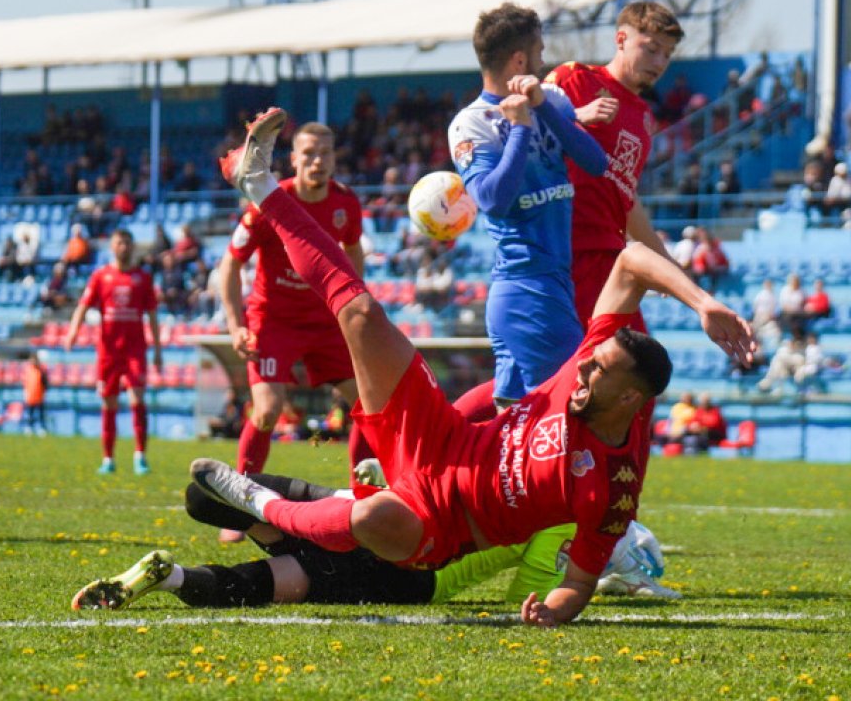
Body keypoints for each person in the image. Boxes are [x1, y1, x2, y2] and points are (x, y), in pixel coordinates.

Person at [195, 108, 754, 626]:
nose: (581, 370)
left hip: (444, 524)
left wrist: (553, 610)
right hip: (442, 438)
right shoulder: (595, 359)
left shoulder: (612, 489)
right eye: (591, 361)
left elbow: (580, 582)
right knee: (361, 312)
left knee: (372, 523)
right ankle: (260, 184)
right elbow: (631, 261)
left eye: (597, 371)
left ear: (631, 399)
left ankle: (263, 504)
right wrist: (703, 303)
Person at [72, 470, 675, 612]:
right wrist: (578, 587)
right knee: (294, 582)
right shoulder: (552, 530)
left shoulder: (515, 488)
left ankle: (274, 509)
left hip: (380, 521)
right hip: (412, 575)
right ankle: (175, 577)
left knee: (207, 498)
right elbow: (530, 600)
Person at [447, 2, 607, 403]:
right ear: (520, 59)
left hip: (551, 283)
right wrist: (519, 128)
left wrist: (541, 109)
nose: (543, 59)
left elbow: (595, 162)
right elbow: (492, 199)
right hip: (527, 288)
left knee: (512, 433)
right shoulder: (471, 123)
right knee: (574, 407)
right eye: (539, 52)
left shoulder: (549, 97)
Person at [217, 121, 369, 504]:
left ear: (335, 159)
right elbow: (231, 264)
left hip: (324, 320)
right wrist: (236, 326)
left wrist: (353, 303)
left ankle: (364, 498)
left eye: (326, 154)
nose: (318, 162)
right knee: (267, 410)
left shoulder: (346, 203)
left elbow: (353, 250)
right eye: (309, 154)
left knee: (366, 404)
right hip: (274, 320)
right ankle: (242, 503)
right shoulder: (270, 202)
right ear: (294, 159)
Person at [545, 1, 686, 328]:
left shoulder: (644, 117)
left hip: (610, 257)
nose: (660, 62)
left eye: (667, 54)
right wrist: (576, 116)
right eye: (651, 49)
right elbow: (523, 129)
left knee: (624, 369)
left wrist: (666, 262)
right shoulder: (574, 78)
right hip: (566, 251)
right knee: (619, 367)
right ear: (620, 39)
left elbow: (625, 198)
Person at [63, 229, 163, 475]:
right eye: (119, 243)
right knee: (109, 403)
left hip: (135, 350)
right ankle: (108, 458)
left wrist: (158, 349)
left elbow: (152, 315)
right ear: (112, 246)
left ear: (132, 247)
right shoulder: (101, 276)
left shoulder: (143, 278)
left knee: (137, 399)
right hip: (108, 351)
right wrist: (73, 332)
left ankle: (140, 456)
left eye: (128, 243)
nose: (123, 247)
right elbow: (83, 306)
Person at [23, 351, 49, 434]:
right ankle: (29, 427)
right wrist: (25, 392)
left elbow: (45, 383)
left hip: (39, 395)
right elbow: (26, 382)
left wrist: (44, 392)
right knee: (30, 413)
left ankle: (42, 428)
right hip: (30, 395)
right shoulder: (28, 370)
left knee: (41, 413)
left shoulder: (41, 370)